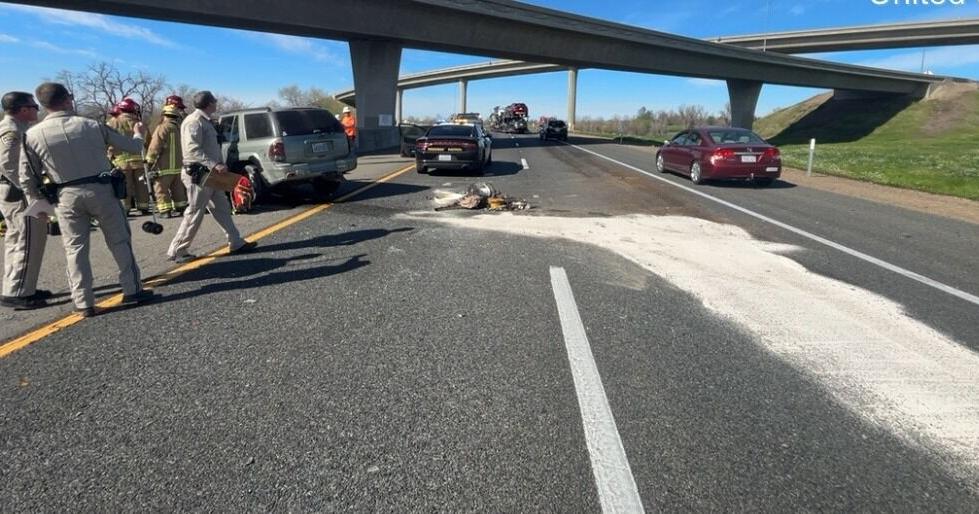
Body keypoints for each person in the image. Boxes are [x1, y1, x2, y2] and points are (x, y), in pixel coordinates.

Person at [19, 82, 158, 317]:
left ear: (43, 105)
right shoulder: (91, 125)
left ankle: (83, 302)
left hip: (64, 197)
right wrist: (138, 133)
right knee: (119, 241)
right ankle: (132, 290)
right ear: (67, 99)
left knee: (75, 249)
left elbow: (27, 177)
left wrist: (38, 204)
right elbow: (134, 147)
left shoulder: (31, 135)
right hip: (102, 190)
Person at [166, 90, 256, 263]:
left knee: (221, 207)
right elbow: (193, 150)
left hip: (211, 175)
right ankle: (178, 250)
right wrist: (215, 164)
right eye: (214, 101)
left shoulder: (206, 121)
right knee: (194, 213)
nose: (216, 104)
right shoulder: (194, 122)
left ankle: (235, 242)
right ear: (209, 104)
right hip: (199, 174)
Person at [0, 91, 49, 310]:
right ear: (22, 109)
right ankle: (19, 292)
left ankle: (16, 286)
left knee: (17, 240)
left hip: (15, 193)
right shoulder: (11, 131)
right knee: (27, 241)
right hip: (19, 195)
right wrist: (31, 190)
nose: (36, 109)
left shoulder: (17, 129)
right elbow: (8, 165)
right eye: (33, 106)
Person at [107, 97, 151, 215]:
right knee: (142, 186)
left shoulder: (111, 123)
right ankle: (144, 207)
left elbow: (108, 142)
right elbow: (148, 142)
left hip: (121, 163)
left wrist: (110, 156)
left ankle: (125, 209)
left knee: (125, 186)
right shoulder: (140, 123)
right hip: (140, 162)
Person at [145, 97, 188, 218]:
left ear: (165, 114)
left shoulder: (163, 127)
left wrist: (149, 162)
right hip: (179, 166)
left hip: (164, 167)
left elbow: (155, 146)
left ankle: (165, 211)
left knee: (161, 189)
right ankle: (181, 208)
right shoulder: (180, 128)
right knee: (178, 189)